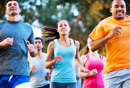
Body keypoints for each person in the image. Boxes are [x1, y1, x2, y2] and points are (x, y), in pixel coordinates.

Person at [89, 0, 130, 87]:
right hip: (112, 72)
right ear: (111, 9)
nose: (120, 9)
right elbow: (92, 47)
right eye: (116, 6)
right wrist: (108, 37)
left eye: (122, 6)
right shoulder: (104, 24)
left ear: (125, 9)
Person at [42, 19, 90, 88]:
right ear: (57, 30)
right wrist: (54, 60)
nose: (63, 27)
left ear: (69, 29)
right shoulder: (52, 44)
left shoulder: (75, 43)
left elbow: (76, 57)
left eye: (65, 25)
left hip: (71, 80)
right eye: (60, 26)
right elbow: (46, 65)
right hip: (56, 81)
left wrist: (83, 68)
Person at [0, 0, 37, 88]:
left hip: (21, 73)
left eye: (15, 4)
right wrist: (1, 44)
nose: (12, 6)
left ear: (19, 10)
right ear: (6, 11)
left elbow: (34, 53)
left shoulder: (28, 28)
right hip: (2, 73)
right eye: (9, 5)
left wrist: (32, 50)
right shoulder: (0, 26)